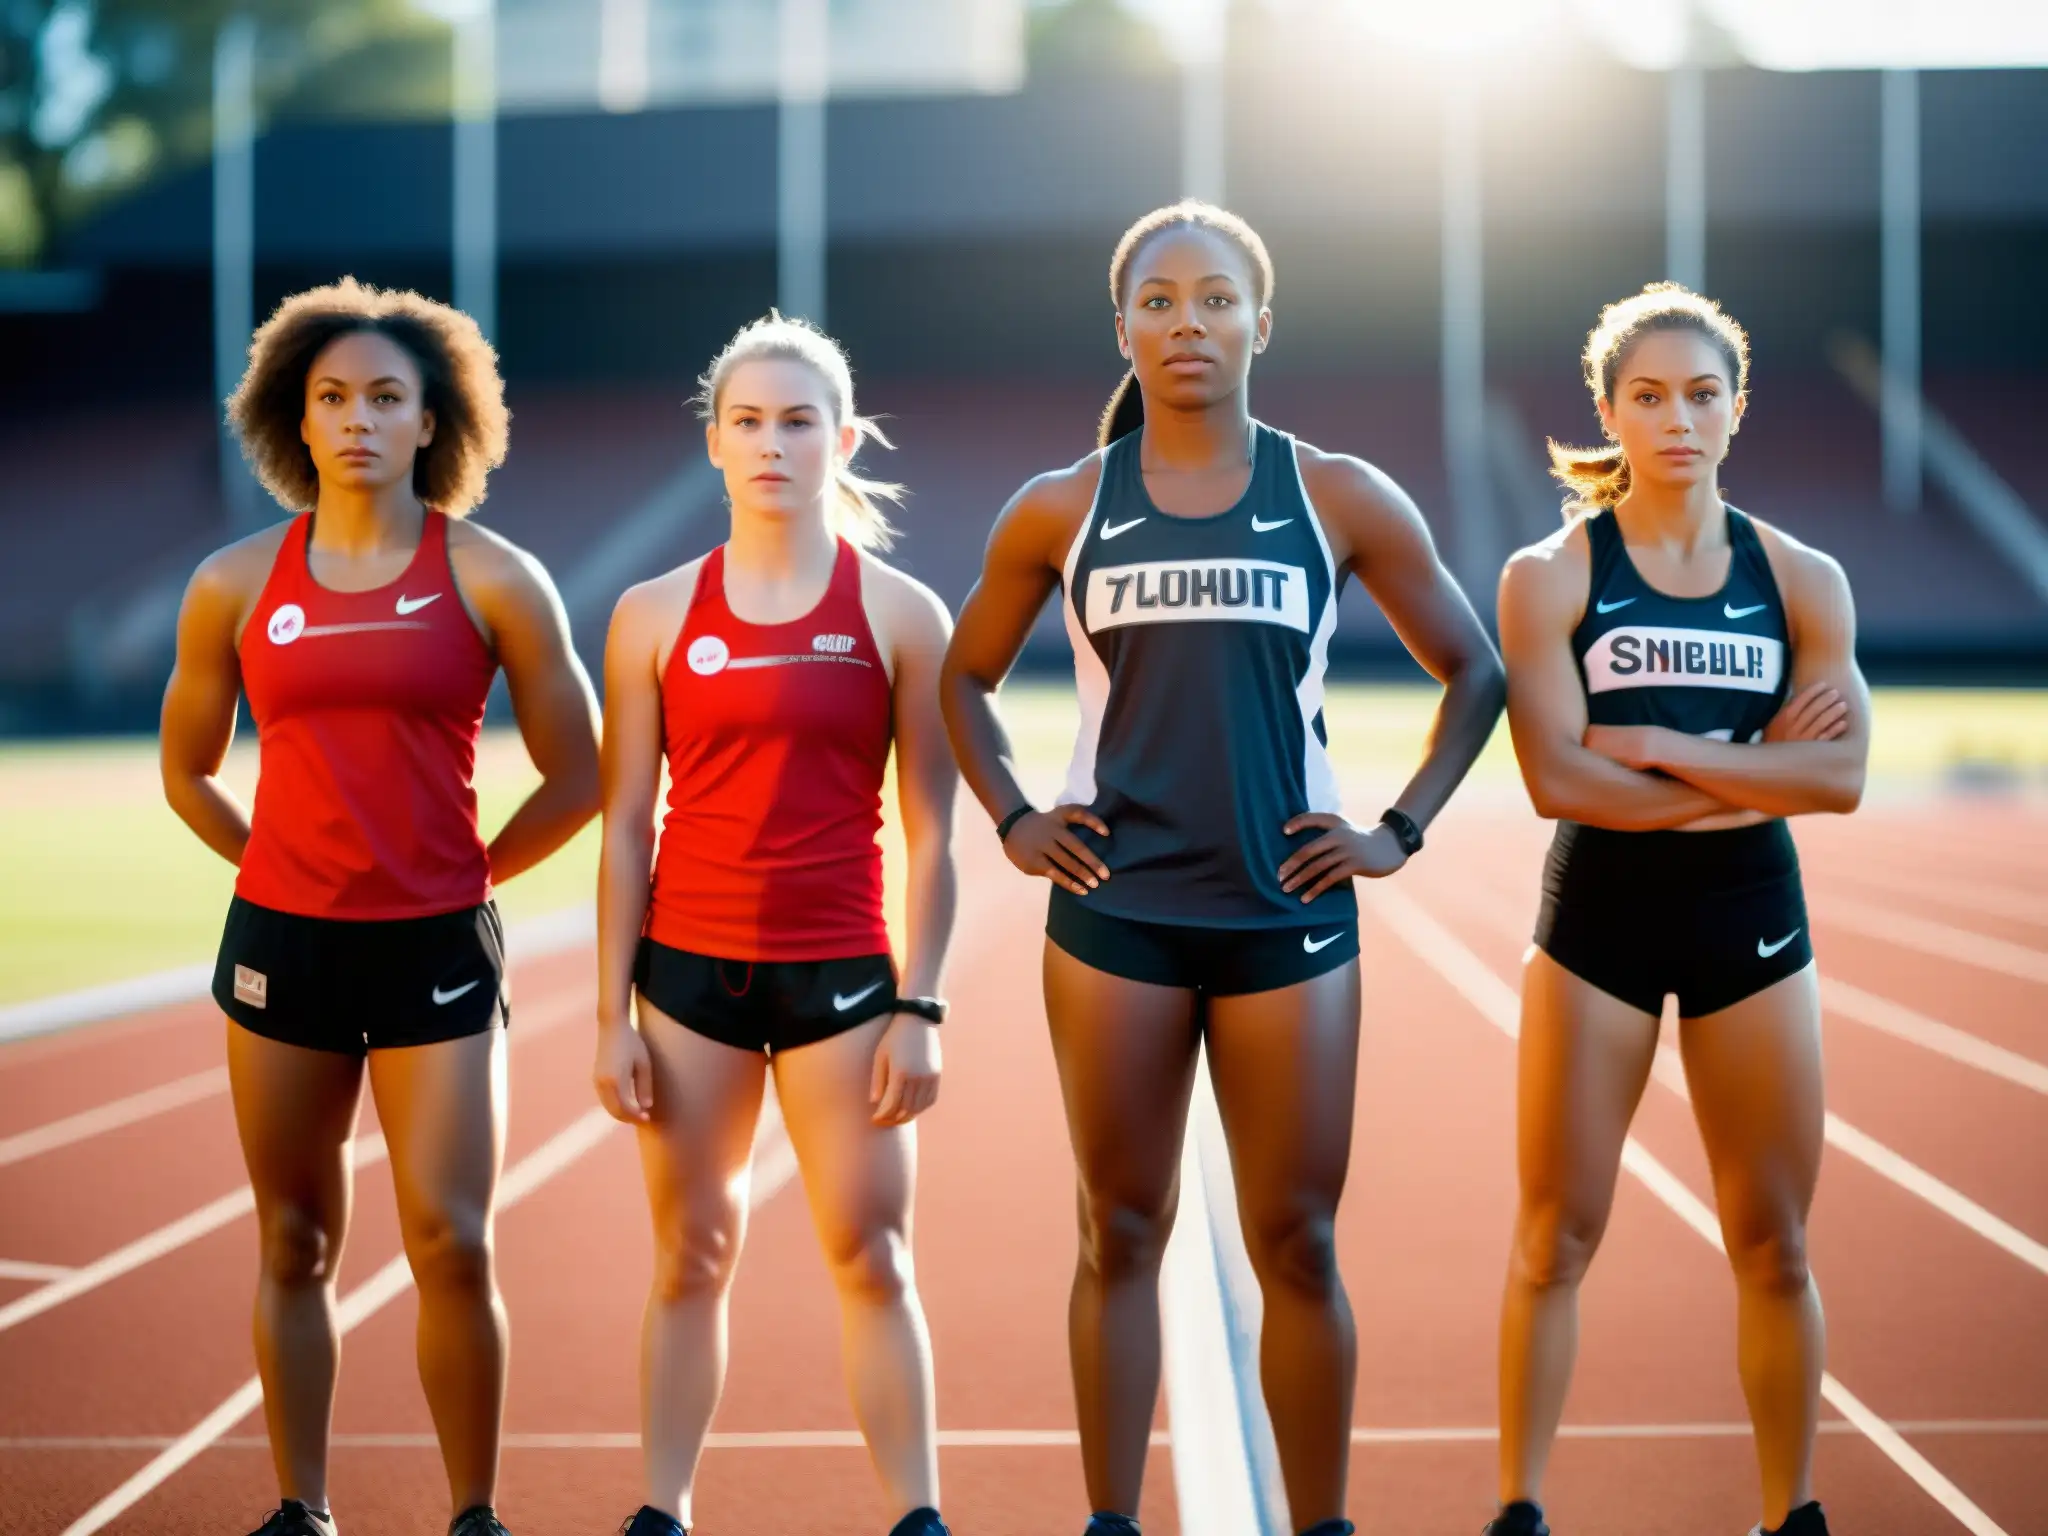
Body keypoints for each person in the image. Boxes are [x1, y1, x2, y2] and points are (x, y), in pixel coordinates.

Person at [938, 201, 1506, 1536]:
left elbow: (1475, 671)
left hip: (1286, 915)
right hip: (1113, 921)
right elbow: (962, 678)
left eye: (1214, 300)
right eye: (1158, 301)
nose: (1187, 323)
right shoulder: (1061, 507)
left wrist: (1396, 830)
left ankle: (1324, 1526)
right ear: (1122, 326)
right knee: (1117, 1233)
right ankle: (1112, 1524)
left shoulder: (1341, 494)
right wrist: (1018, 816)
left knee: (1297, 1246)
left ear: (1263, 319)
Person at [160, 278, 602, 1536]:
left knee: (450, 1242)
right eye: (332, 398)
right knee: (292, 1240)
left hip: (435, 952)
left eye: (386, 398)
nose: (357, 420)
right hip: (280, 950)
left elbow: (581, 772)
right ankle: (302, 1508)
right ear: (294, 421)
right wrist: (274, 866)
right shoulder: (233, 583)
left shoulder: (497, 577)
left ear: (432, 422)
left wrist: (468, 881)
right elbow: (186, 769)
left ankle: (475, 1515)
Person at [1487, 283, 1868, 1536]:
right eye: (1646, 397)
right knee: (1554, 1235)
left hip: (1748, 924)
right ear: (1606, 411)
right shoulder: (1548, 576)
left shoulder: (1800, 578)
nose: (1675, 419)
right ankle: (1519, 1509)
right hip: (1596, 919)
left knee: (1775, 1246)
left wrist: (1648, 740)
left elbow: (1841, 777)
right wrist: (1748, 775)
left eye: (1701, 394)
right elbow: (1554, 779)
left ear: (1736, 409)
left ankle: (1787, 1514)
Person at [594, 315, 960, 1536]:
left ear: (842, 439)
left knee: (871, 1256)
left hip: (845, 987)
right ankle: (664, 1510)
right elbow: (625, 828)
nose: (771, 443)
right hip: (686, 980)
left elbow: (932, 837)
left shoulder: (902, 612)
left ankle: (917, 1515)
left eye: (797, 421)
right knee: (690, 1258)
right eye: (746, 421)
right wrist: (611, 1019)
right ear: (713, 442)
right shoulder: (651, 613)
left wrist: (919, 1007)